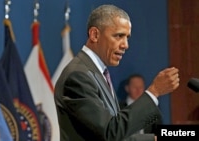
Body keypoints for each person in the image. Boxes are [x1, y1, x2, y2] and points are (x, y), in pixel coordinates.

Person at [54, 4, 179, 141]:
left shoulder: (97, 73)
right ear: (95, 35)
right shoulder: (78, 76)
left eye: (127, 37)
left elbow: (114, 135)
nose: (125, 45)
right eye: (119, 36)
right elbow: (110, 132)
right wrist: (154, 91)